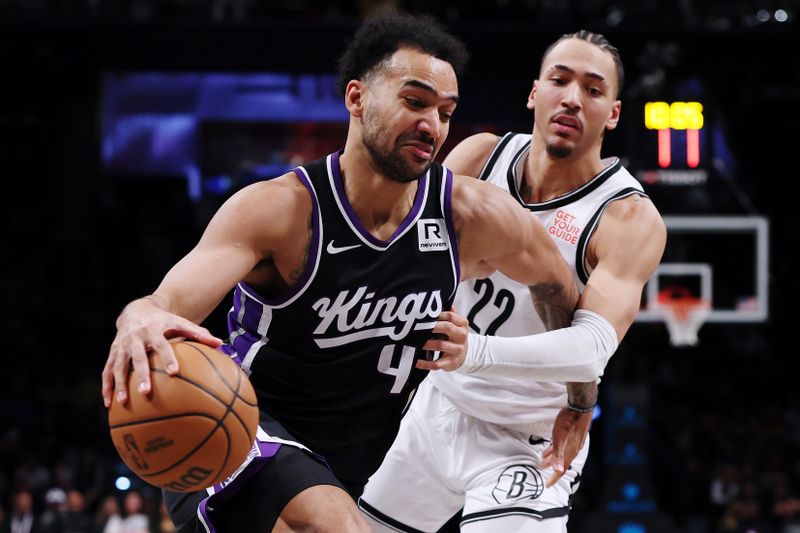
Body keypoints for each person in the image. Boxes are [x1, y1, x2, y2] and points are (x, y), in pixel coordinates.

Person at [100, 12, 580, 533]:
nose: (432, 125)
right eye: (414, 102)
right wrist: (136, 318)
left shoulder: (469, 215)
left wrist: (577, 398)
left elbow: (558, 284)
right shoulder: (281, 211)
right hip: (240, 429)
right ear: (356, 99)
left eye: (445, 112)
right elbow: (163, 304)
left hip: (359, 464)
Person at [360, 30, 667, 532]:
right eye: (559, 80)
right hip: (438, 407)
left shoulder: (626, 218)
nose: (571, 97)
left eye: (592, 89)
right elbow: (403, 256)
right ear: (533, 93)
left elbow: (592, 348)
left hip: (529, 439)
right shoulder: (480, 158)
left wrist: (475, 352)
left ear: (612, 113)